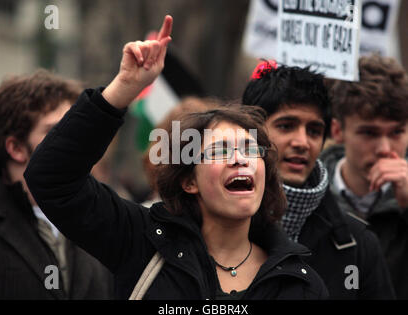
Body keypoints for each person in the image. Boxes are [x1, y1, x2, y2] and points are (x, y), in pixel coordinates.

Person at [24, 15, 328, 300]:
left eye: (250, 150)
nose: (240, 159)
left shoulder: (300, 284)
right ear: (188, 180)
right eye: (221, 150)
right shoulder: (143, 243)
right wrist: (123, 89)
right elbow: (52, 177)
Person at [242, 61, 395, 299]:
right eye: (286, 126)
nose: (302, 142)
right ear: (252, 132)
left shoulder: (357, 245)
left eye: (314, 130)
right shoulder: (218, 226)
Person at [0, 70, 114, 299]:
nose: (72, 141)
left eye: (75, 130)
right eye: (56, 131)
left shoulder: (101, 218)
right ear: (16, 148)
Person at [321, 54, 408, 299]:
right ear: (338, 131)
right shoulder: (308, 197)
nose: (384, 147)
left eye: (397, 132)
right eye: (369, 133)